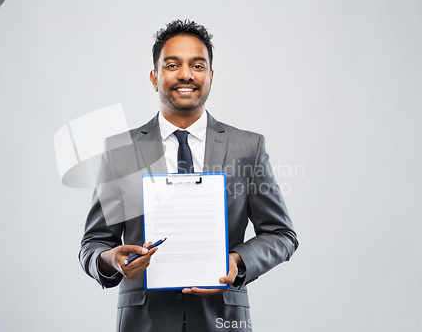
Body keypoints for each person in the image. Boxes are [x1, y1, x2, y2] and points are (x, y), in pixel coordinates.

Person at [79, 20, 299, 332]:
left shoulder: (247, 147)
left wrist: (238, 261)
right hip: (144, 322)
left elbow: (281, 234)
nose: (185, 74)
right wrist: (112, 259)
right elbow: (94, 243)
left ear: (211, 76)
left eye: (197, 65)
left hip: (222, 320)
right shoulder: (121, 150)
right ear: (155, 78)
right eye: (172, 64)